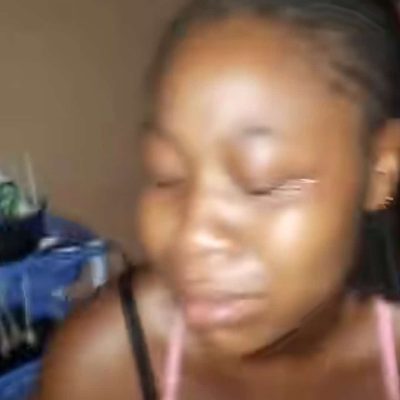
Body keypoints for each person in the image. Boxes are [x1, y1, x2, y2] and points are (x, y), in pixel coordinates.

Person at [36, 0, 400, 399]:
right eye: (166, 175)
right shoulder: (105, 366)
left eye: (263, 183)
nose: (191, 238)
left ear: (380, 172)